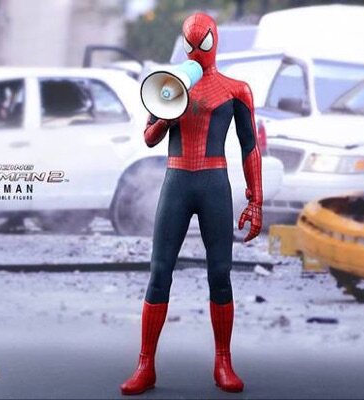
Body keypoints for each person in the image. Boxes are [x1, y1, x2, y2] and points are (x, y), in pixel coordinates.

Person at [120, 12, 263, 395]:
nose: (197, 50)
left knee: (220, 273)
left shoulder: (235, 90)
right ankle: (145, 365)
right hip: (178, 181)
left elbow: (250, 146)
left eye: (203, 43)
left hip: (213, 183)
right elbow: (149, 138)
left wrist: (256, 200)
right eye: (191, 43)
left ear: (214, 42)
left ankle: (223, 362)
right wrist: (167, 117)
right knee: (159, 272)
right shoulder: (170, 85)